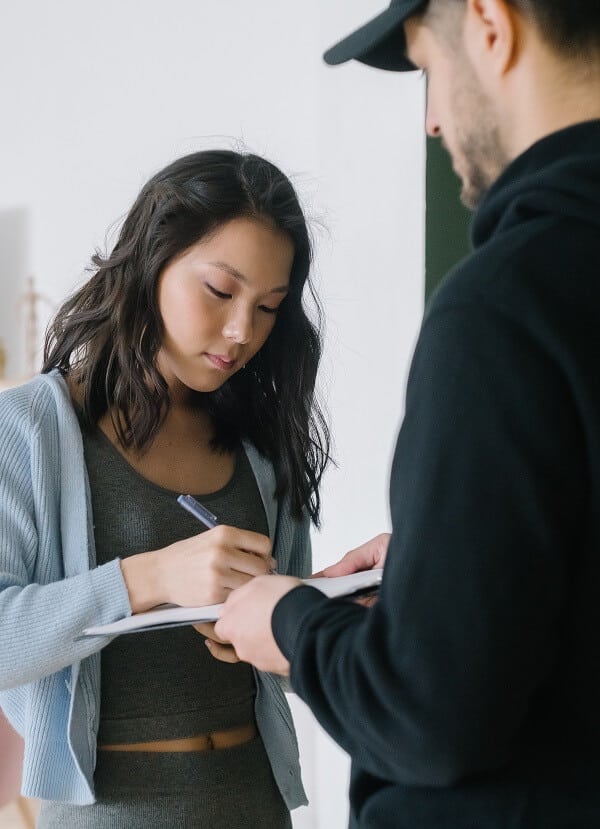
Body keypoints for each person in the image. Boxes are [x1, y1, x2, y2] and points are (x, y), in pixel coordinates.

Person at [215, 1, 600, 827]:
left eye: (428, 68)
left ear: (492, 25)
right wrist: (446, 564)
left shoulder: (508, 304)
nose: (430, 120)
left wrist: (294, 620)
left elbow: (432, 714)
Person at [0, 149, 331, 828]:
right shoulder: (29, 427)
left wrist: (328, 609)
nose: (242, 331)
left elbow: (288, 660)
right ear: (153, 258)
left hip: (252, 802)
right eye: (219, 291)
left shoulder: (260, 444)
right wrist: (148, 577)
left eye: (269, 307)